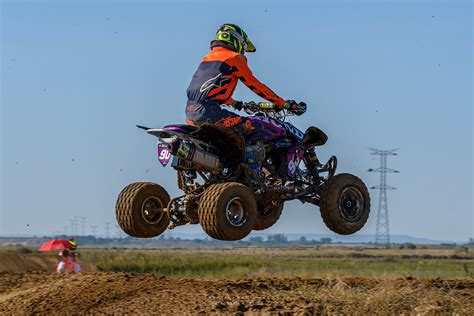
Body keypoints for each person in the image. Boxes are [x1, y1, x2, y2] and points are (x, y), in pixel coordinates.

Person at [185, 24, 306, 173]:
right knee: (255, 128)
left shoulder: (207, 59)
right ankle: (252, 174)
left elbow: (208, 90)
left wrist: (236, 103)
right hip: (211, 114)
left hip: (191, 113)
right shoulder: (235, 58)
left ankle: (227, 168)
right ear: (237, 41)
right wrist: (284, 103)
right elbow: (255, 85)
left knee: (231, 138)